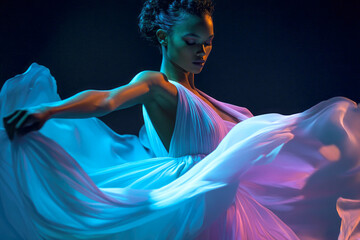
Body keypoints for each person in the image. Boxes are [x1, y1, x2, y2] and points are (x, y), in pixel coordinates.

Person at [1, 0, 359, 239]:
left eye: (208, 42)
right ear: (164, 37)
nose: (201, 51)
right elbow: (108, 100)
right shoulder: (157, 85)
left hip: (235, 207)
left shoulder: (224, 107)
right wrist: (48, 111)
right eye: (192, 41)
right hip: (192, 204)